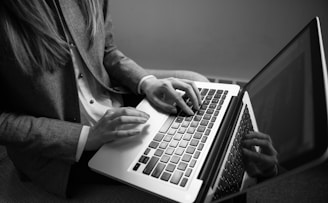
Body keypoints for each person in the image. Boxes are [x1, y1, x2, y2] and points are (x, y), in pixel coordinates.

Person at [0, 0, 277, 199]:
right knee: (193, 187)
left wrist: (147, 83)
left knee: (205, 118)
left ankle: (245, 172)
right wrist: (86, 137)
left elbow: (107, 51)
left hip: (116, 105)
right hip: (63, 149)